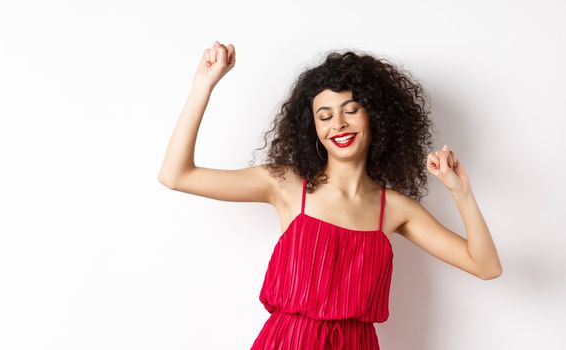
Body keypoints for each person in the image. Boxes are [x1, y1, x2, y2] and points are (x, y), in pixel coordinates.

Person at [157, 41, 503, 349]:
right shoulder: (285, 185)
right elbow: (176, 175)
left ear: (375, 116)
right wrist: (204, 84)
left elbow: (485, 266)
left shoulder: (395, 209)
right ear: (314, 129)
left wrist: (462, 192)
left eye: (350, 110)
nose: (338, 124)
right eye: (325, 116)